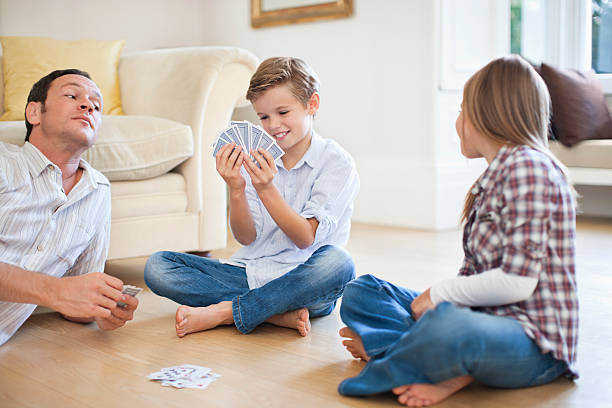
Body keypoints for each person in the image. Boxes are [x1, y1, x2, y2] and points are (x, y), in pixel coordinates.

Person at [337, 55, 578, 406]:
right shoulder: (495, 176)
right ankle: (428, 356)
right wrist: (440, 303)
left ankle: (406, 358)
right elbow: (476, 284)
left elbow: (517, 282)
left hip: (533, 346)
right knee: (363, 291)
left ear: (487, 113)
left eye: (463, 110)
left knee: (449, 325)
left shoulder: (530, 169)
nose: (458, 121)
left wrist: (439, 294)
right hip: (485, 320)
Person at [144, 57, 359, 337]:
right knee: (157, 267)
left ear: (312, 104)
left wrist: (266, 189)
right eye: (264, 116)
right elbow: (246, 238)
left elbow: (305, 237)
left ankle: (227, 312)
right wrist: (235, 188)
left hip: (307, 279)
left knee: (340, 264)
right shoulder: (255, 155)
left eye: (283, 112)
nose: (273, 125)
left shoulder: (336, 163)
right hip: (250, 272)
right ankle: (273, 313)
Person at [0, 69, 139, 346]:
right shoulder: (4, 163)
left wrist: (100, 306)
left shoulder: (98, 191)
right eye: (72, 95)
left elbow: (77, 296)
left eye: (97, 106)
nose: (88, 105)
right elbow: (61, 293)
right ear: (34, 113)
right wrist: (55, 291)